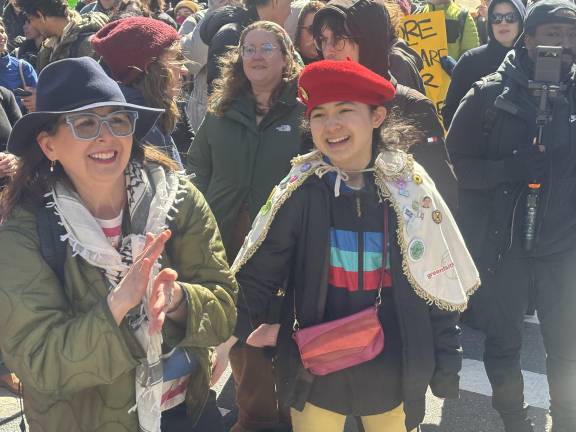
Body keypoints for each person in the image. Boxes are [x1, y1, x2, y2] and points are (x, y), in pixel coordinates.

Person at [216, 59, 479, 432]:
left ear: (376, 116)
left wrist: (447, 362)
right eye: (319, 114)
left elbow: (437, 279)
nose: (331, 125)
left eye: (344, 111)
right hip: (316, 373)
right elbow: (258, 276)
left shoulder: (410, 189)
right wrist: (221, 337)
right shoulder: (302, 189)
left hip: (393, 374)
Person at [0, 56, 237, 432]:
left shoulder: (177, 199)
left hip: (182, 413)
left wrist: (176, 300)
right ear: (48, 146)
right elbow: (39, 359)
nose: (106, 135)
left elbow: (224, 306)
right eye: (85, 123)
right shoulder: (24, 231)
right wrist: (117, 306)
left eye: (118, 120)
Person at [446, 0, 576, 430]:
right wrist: (510, 169)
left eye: (572, 37)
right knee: (504, 346)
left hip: (563, 248)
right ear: (531, 37)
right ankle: (515, 421)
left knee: (566, 348)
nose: (564, 45)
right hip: (505, 248)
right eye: (554, 35)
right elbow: (455, 166)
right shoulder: (488, 95)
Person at [187, 20, 303, 432]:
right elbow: (197, 163)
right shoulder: (220, 112)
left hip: (286, 242)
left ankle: (293, 416)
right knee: (240, 327)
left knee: (286, 326)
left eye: (266, 48)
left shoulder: (304, 112)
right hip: (228, 239)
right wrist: (199, 202)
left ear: (287, 57)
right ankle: (254, 417)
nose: (255, 55)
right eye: (248, 48)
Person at [311, 0, 458, 211]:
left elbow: (441, 198)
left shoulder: (413, 107)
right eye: (322, 41)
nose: (328, 51)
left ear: (369, 40)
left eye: (339, 39)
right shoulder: (320, 107)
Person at [92, 16, 187, 165]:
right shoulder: (141, 128)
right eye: (177, 59)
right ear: (150, 69)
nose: (185, 70)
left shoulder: (145, 111)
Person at [442, 0, 525, 128]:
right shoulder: (470, 61)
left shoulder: (532, 60)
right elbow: (451, 113)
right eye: (496, 17)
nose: (503, 22)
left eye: (510, 17)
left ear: (521, 20)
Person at [199, 0, 292, 91]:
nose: (290, 12)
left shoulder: (267, 35)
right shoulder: (231, 35)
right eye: (289, 3)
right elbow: (218, 93)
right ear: (275, 2)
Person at [16, 0, 109, 72]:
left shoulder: (88, 45)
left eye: (31, 19)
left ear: (41, 15)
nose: (32, 25)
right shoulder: (47, 47)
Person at [415, 0, 480, 60]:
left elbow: (471, 55)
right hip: (424, 72)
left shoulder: (462, 15)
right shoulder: (418, 14)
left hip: (453, 71)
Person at [0, 16, 37, 112]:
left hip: (20, 125)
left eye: (2, 31)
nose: (1, 36)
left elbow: (38, 105)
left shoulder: (23, 67)